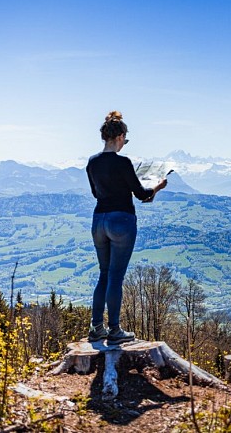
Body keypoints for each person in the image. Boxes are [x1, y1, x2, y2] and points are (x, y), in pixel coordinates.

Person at [85, 111, 167, 344]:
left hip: (99, 220)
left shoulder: (92, 162)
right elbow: (141, 194)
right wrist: (158, 187)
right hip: (121, 221)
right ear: (120, 136)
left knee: (103, 274)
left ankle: (96, 328)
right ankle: (115, 330)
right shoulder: (123, 162)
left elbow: (95, 193)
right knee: (116, 276)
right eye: (125, 140)